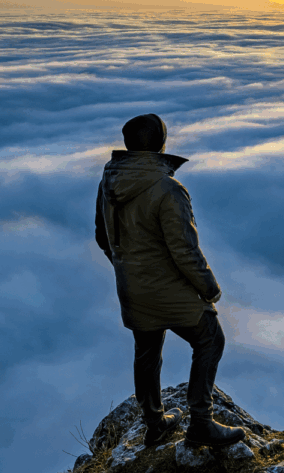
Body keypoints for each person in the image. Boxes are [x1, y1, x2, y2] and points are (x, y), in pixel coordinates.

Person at [94, 113, 245, 449]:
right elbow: (185, 252)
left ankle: (154, 423)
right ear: (161, 145)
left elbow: (102, 238)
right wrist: (210, 288)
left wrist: (129, 268)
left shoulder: (109, 182)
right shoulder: (167, 189)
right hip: (166, 287)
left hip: (130, 288)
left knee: (146, 352)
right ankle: (201, 424)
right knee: (210, 338)